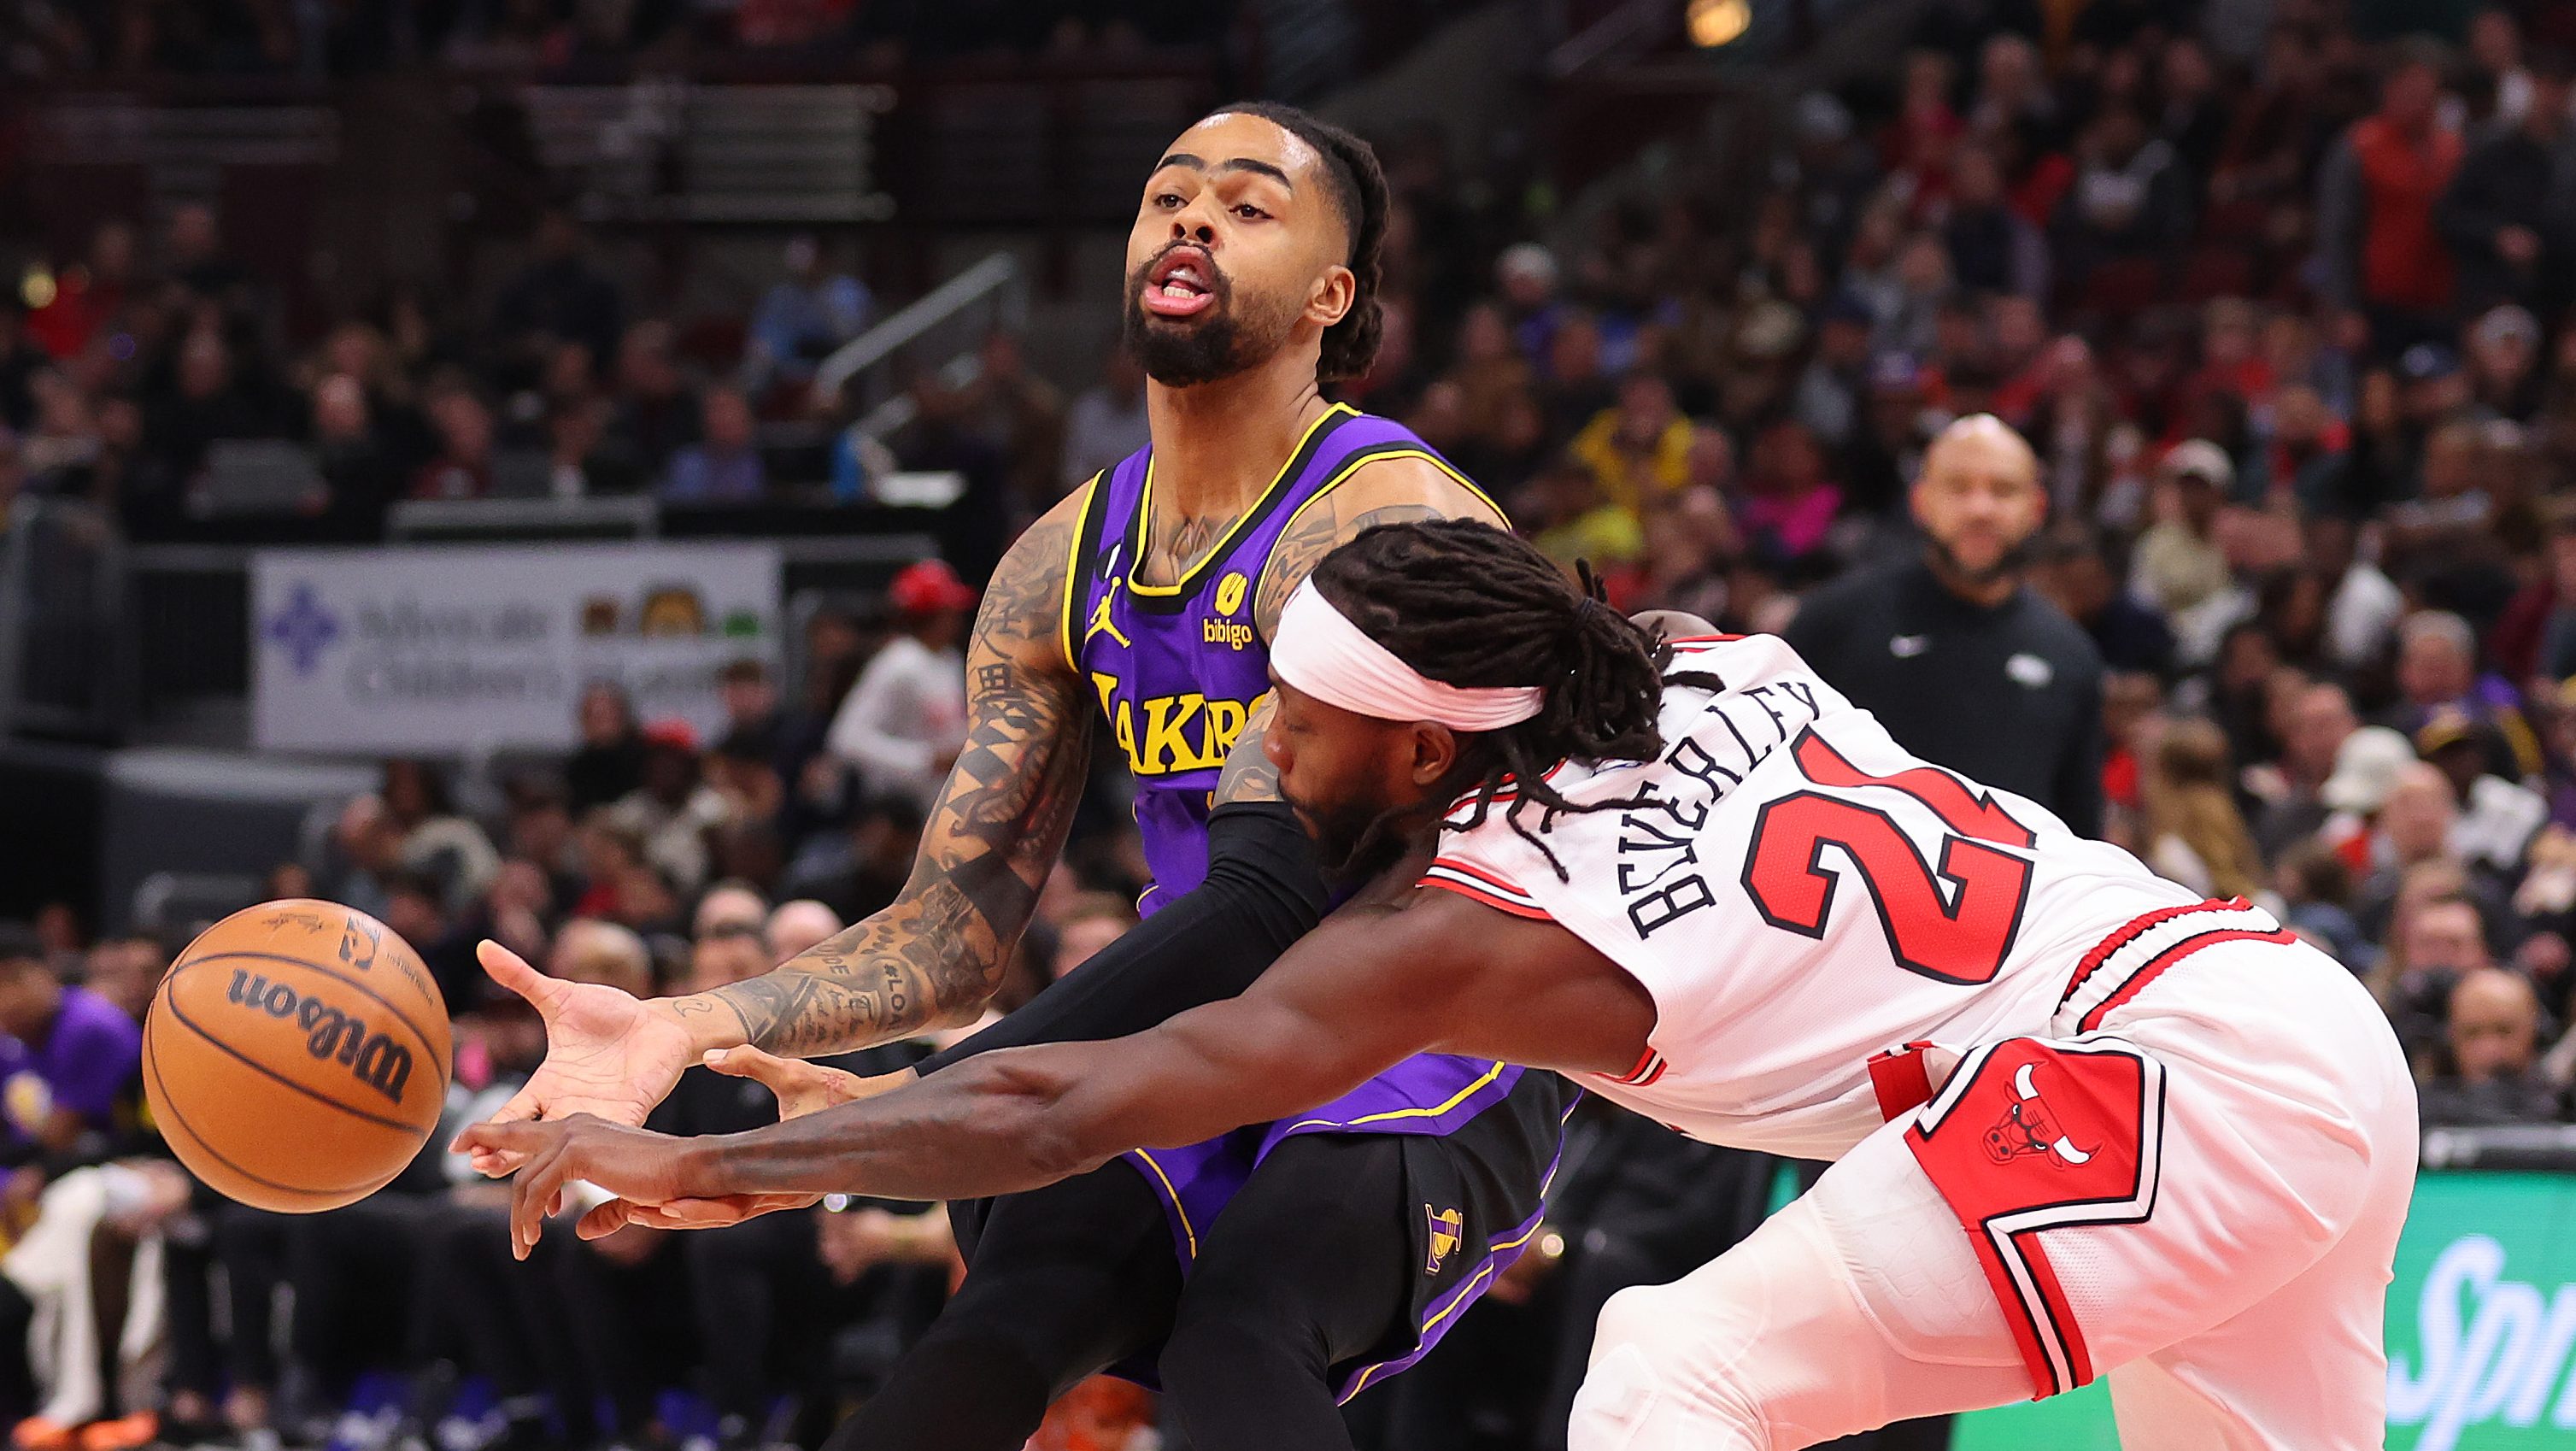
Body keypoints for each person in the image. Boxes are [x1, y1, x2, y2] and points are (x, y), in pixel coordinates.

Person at [467, 520, 2417, 1451]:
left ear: (1413, 749)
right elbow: (1071, 1053)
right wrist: (892, 1107)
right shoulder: (1676, 648)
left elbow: (1078, 1100)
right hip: (2279, 1017)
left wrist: (717, 1166)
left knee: (1670, 1372)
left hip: (2140, 1085)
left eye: (1289, 720)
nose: (1260, 749)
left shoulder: (1471, 930)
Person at [463, 106, 1569, 1451]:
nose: (1190, 221)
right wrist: (681, 1020)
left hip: (1436, 1011)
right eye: (1166, 196)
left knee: (1244, 1318)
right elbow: (955, 931)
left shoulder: (1372, 520)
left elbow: (1262, 901)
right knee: (1010, 1300)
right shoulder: (1060, 563)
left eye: (1246, 204)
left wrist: (897, 1120)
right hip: (1218, 1013)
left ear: (1331, 297)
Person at [1784, 414, 2104, 835]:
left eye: (2003, 490)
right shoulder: (1831, 625)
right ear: (1920, 502)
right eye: (1959, 487)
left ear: (2037, 508)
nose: (1980, 508)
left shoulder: (2071, 655)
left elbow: (2081, 834)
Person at [823, 560, 975, 815]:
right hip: (898, 811)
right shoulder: (897, 664)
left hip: (943, 805)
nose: (958, 619)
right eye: (950, 611)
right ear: (929, 615)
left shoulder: (949, 658)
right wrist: (925, 759)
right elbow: (847, 738)